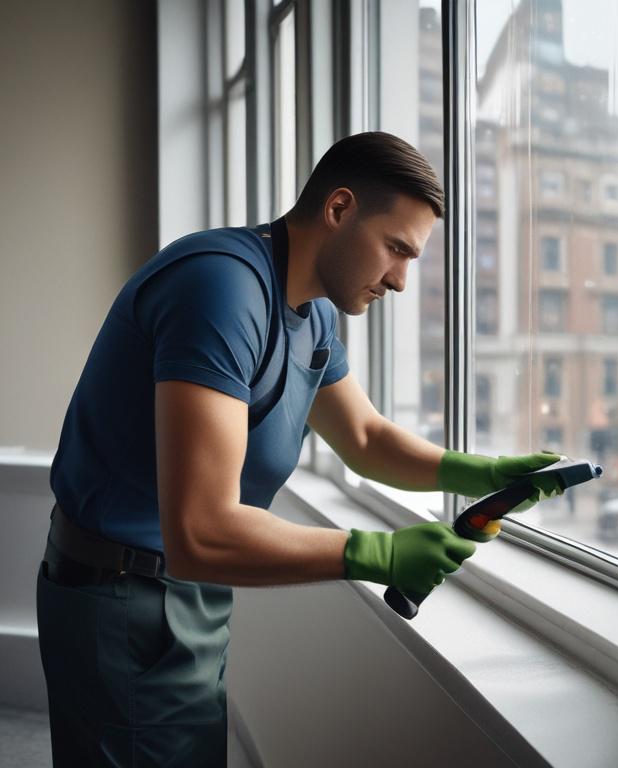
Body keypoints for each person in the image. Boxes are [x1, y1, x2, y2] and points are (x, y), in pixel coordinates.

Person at [37, 131, 561, 767]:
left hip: (181, 595)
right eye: (395, 249)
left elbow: (365, 439)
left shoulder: (311, 313)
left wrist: (483, 471)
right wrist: (379, 553)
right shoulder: (221, 290)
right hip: (123, 597)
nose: (399, 280)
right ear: (338, 208)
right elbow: (201, 530)